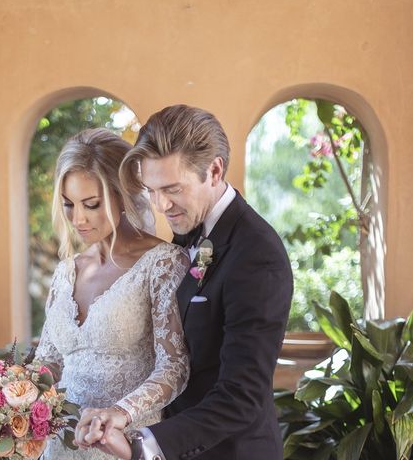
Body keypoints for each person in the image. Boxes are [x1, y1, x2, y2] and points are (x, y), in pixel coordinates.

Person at [75, 105, 293, 459]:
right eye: (152, 190)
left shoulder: (257, 254)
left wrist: (144, 444)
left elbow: (242, 395)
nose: (161, 205)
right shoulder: (190, 231)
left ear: (215, 170)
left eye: (172, 188)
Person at [34, 128, 191, 459]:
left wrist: (118, 413)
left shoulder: (162, 264)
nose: (78, 219)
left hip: (124, 442)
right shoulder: (66, 272)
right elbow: (49, 362)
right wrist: (4, 391)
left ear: (122, 195)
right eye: (68, 204)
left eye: (91, 204)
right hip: (61, 446)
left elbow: (174, 369)